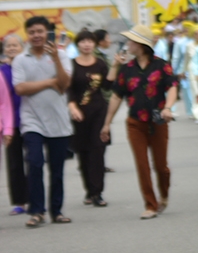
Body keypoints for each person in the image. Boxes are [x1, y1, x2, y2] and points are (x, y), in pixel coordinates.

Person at [101, 25, 178, 219]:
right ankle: (151, 205)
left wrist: (167, 108)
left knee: (161, 167)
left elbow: (173, 87)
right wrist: (107, 123)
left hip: (158, 121)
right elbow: (117, 97)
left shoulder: (162, 65)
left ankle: (164, 195)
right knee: (142, 165)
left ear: (141, 45)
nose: (128, 44)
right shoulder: (126, 69)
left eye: (131, 40)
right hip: (136, 123)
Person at [12, 15, 73, 228]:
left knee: (57, 169)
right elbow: (20, 88)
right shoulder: (20, 59)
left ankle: (57, 211)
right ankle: (37, 211)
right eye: (32, 32)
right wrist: (50, 82)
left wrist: (55, 58)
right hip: (32, 121)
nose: (36, 35)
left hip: (58, 121)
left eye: (40, 31)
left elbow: (64, 85)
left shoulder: (62, 55)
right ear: (27, 35)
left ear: (48, 33)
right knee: (35, 163)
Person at [67, 30, 115, 207]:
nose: (87, 44)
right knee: (83, 152)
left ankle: (97, 193)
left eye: (90, 41)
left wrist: (116, 66)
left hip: (98, 112)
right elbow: (68, 88)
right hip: (78, 114)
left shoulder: (101, 64)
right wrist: (72, 105)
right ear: (77, 44)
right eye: (83, 41)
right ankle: (89, 190)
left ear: (94, 44)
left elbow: (108, 86)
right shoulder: (71, 65)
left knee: (97, 149)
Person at [2, 33, 29, 215]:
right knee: (14, 163)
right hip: (10, 124)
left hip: (30, 119)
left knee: (34, 160)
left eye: (15, 45)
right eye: (8, 46)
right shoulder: (2, 71)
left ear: (22, 47)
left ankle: (36, 198)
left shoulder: (28, 67)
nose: (12, 48)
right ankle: (20, 201)